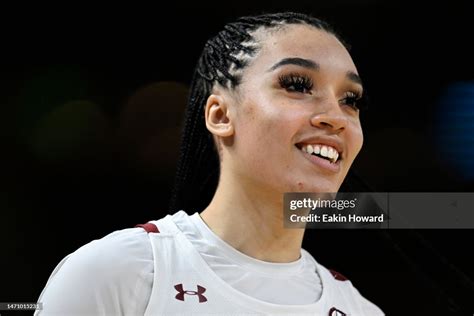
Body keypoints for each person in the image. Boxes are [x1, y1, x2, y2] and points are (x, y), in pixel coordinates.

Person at [35, 12, 384, 315]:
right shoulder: (115, 274)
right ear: (220, 115)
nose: (336, 117)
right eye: (296, 85)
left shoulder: (361, 310)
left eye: (350, 100)